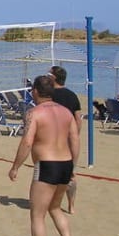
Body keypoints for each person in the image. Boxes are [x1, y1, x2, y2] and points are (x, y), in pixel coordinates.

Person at [8, 74, 79, 236]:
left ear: (35, 92)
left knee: (37, 214)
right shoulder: (66, 112)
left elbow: (27, 142)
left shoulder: (35, 113)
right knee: (55, 208)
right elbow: (75, 139)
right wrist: (73, 165)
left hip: (47, 164)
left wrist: (15, 167)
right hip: (65, 163)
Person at [48, 65, 82, 213]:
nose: (47, 76)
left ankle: (53, 202)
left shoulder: (49, 95)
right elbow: (78, 119)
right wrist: (75, 135)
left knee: (49, 171)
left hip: (55, 139)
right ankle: (71, 206)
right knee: (70, 174)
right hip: (69, 139)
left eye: (49, 74)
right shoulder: (72, 95)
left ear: (54, 78)